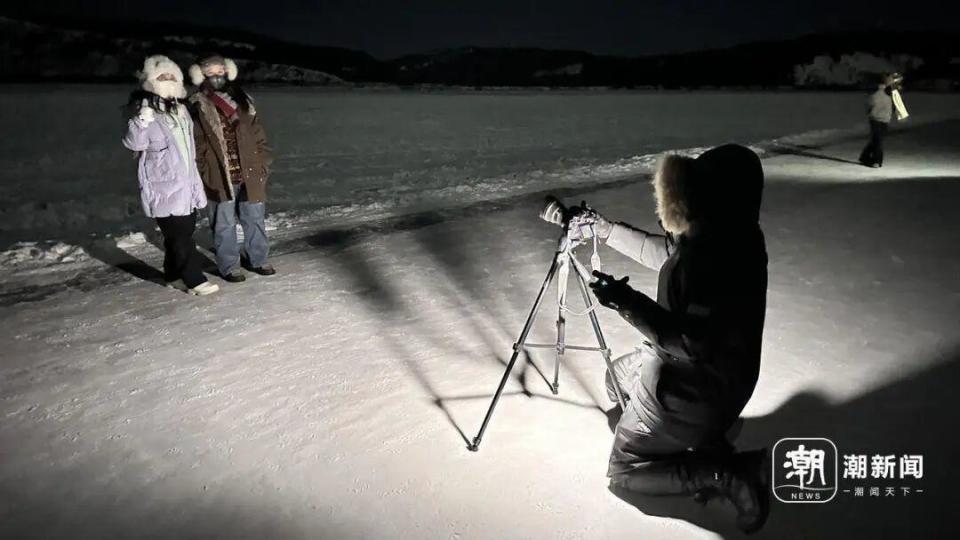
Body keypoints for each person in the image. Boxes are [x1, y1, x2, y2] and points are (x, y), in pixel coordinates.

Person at [586, 145, 769, 534]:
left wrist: (625, 301)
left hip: (692, 391)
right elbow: (667, 252)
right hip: (722, 381)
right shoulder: (732, 235)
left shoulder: (714, 258)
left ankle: (719, 474)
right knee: (615, 381)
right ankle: (703, 440)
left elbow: (690, 343)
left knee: (623, 471)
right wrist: (604, 228)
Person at [122, 55, 219, 296]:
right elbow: (133, 143)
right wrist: (142, 120)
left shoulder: (181, 109)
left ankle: (173, 275)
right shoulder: (142, 109)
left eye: (171, 76)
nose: (167, 80)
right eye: (161, 77)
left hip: (186, 182)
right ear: (150, 81)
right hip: (162, 183)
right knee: (181, 236)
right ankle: (195, 279)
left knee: (179, 234)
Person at [187, 54, 276, 282]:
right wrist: (205, 169)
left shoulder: (243, 100)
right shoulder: (197, 104)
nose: (216, 77)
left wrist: (263, 160)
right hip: (219, 174)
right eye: (210, 73)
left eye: (220, 71)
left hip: (249, 171)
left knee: (254, 217)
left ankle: (259, 259)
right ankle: (229, 265)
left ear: (228, 72)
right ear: (201, 75)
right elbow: (196, 143)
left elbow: (258, 134)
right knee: (223, 222)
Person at [859, 72, 909, 168]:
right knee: (879, 140)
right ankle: (877, 161)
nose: (891, 81)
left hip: (884, 119)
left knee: (876, 139)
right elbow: (869, 102)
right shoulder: (877, 90)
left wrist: (901, 114)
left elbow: (897, 104)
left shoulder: (891, 92)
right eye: (889, 79)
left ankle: (864, 156)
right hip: (875, 118)